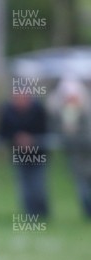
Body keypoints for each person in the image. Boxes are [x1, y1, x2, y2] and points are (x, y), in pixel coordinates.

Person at [0, 92, 50, 218]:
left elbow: (45, 131)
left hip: (38, 154)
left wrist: (32, 139)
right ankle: (31, 215)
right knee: (25, 188)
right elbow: (1, 132)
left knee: (38, 187)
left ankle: (43, 214)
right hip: (19, 155)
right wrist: (16, 138)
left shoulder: (38, 110)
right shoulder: (7, 111)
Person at [48, 77, 91, 219]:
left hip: (85, 156)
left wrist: (73, 136)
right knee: (82, 189)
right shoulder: (62, 113)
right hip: (77, 160)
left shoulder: (86, 112)